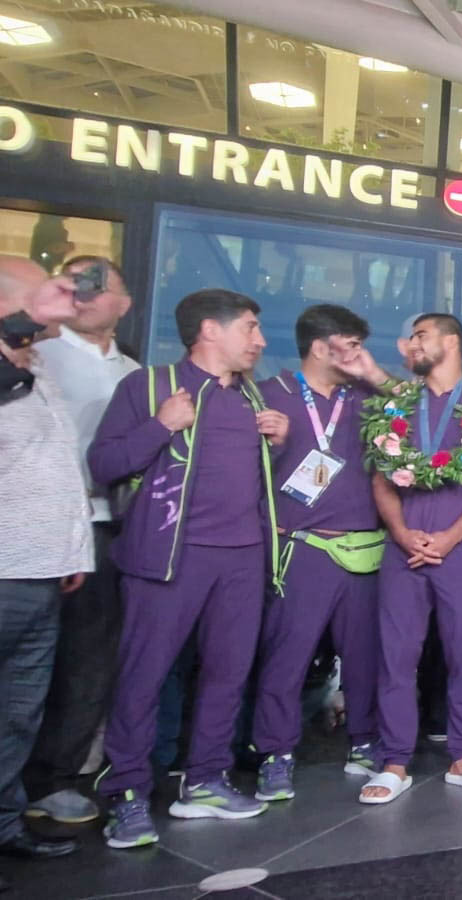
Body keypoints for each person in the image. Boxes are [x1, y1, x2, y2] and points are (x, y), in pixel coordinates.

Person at [90, 289, 286, 846]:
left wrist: (278, 443)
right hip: (168, 555)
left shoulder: (251, 397)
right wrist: (161, 425)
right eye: (249, 327)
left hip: (243, 558)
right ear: (210, 330)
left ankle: (205, 780)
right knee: (143, 676)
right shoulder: (151, 387)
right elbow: (103, 463)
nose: (259, 340)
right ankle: (127, 793)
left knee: (228, 674)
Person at [361, 314, 462, 803]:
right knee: (395, 658)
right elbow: (380, 480)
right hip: (403, 550)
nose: (412, 344)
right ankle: (394, 762)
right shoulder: (397, 404)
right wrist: (402, 532)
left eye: (421, 336)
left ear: (451, 342)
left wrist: (451, 536)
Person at [250, 305, 394, 802]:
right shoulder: (269, 394)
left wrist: (373, 373)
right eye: (350, 345)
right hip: (303, 546)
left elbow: (419, 408)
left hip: (365, 546)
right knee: (286, 656)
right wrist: (275, 451)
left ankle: (364, 740)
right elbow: (240, 471)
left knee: (366, 656)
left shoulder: (367, 398)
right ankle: (275, 754)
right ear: (318, 347)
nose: (358, 354)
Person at [23, 257, 139, 826]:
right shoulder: (34, 354)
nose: (83, 294)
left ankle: (53, 778)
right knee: (26, 662)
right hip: (32, 527)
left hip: (103, 528)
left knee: (87, 661)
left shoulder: (135, 372)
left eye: (97, 285)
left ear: (124, 302)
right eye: (73, 283)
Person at [0, 256, 91, 868]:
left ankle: (5, 825)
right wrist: (22, 323)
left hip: (42, 574)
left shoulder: (36, 369)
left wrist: (72, 549)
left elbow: (53, 466)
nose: (66, 300)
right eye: (44, 292)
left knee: (17, 715)